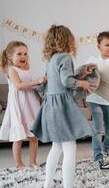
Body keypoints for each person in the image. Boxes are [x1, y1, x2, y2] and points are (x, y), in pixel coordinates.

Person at [31, 25, 92, 188]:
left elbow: (58, 81)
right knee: (70, 147)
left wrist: (81, 74)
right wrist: (83, 83)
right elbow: (67, 82)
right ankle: (68, 185)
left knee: (57, 146)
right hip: (61, 107)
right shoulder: (65, 57)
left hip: (50, 106)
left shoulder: (51, 60)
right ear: (67, 39)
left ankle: (48, 183)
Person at [0, 41, 46, 169]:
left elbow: (28, 86)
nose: (23, 56)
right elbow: (19, 86)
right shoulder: (11, 70)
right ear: (9, 56)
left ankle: (33, 161)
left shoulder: (25, 69)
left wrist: (39, 86)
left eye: (25, 54)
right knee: (18, 138)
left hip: (30, 104)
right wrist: (36, 81)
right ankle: (19, 164)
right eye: (19, 54)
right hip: (19, 105)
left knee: (34, 136)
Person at [85, 31, 109, 170]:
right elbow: (84, 75)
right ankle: (98, 158)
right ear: (98, 46)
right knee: (98, 128)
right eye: (107, 45)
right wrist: (87, 71)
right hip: (94, 99)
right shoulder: (92, 60)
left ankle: (108, 149)